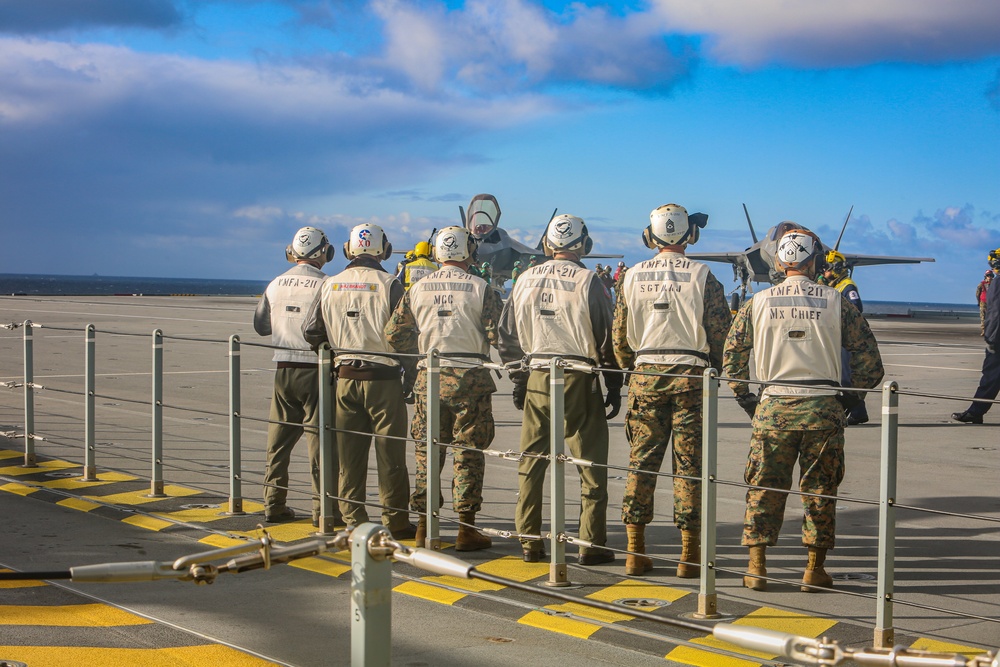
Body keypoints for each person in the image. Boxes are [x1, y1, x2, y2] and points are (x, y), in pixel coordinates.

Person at [723, 225, 884, 592]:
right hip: (822, 410)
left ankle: (757, 567)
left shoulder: (756, 304)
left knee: (764, 489)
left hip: (772, 409)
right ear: (814, 262)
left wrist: (747, 398)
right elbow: (871, 363)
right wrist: (848, 398)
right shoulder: (836, 301)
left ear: (779, 261)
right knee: (820, 492)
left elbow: (731, 358)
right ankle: (814, 569)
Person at [613, 204, 730, 577]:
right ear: (690, 237)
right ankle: (689, 554)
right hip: (691, 375)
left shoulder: (630, 276)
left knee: (641, 462)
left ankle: (635, 550)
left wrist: (632, 368)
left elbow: (619, 338)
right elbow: (720, 335)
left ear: (649, 237)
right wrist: (715, 369)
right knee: (689, 466)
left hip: (645, 373)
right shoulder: (703, 276)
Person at [499, 214, 623, 564]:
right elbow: (606, 338)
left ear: (546, 244)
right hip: (579, 378)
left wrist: (519, 380)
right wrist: (613, 384)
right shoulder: (590, 281)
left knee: (531, 463)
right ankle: (590, 544)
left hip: (537, 373)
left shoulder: (523, 280)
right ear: (585, 244)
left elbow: (506, 336)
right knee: (590, 466)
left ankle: (529, 541)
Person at [385, 225, 504, 550]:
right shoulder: (482, 288)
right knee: (468, 454)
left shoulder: (418, 288)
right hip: (471, 378)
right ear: (469, 252)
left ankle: (425, 527)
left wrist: (416, 358)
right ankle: (466, 529)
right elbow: (499, 335)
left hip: (429, 376)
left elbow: (395, 334)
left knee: (427, 453)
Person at [303, 223, 416, 539]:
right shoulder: (391, 285)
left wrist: (335, 350)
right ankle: (396, 520)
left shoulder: (330, 284)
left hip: (345, 378)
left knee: (349, 457)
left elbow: (311, 331)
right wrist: (411, 374)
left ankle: (353, 517)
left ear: (347, 250)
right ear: (385, 250)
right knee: (390, 455)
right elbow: (404, 335)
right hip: (384, 380)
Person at [253, 227, 334, 525]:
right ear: (324, 252)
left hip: (283, 370)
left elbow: (260, 326)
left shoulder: (275, 284)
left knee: (277, 445)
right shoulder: (326, 284)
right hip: (316, 370)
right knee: (320, 446)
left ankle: (273, 503)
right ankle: (322, 510)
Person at [952, 251, 1000, 424]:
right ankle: (976, 411)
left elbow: (995, 314)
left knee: (991, 377)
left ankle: (976, 411)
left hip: (998, 340)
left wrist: (991, 338)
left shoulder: (997, 283)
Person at [822, 251, 869, 426]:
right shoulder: (835, 286)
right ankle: (855, 410)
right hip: (838, 336)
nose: (824, 271)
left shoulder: (847, 287)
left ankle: (857, 411)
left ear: (837, 268)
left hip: (846, 338)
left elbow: (856, 307)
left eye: (826, 268)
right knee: (840, 375)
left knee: (846, 377)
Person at [977, 270, 993, 336]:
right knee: (983, 317)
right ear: (985, 276)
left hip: (992, 303)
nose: (989, 277)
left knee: (991, 318)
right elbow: (977, 293)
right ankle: (984, 331)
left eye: (991, 276)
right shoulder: (982, 284)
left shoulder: (995, 284)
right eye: (988, 275)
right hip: (983, 302)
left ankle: (990, 331)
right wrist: (979, 302)